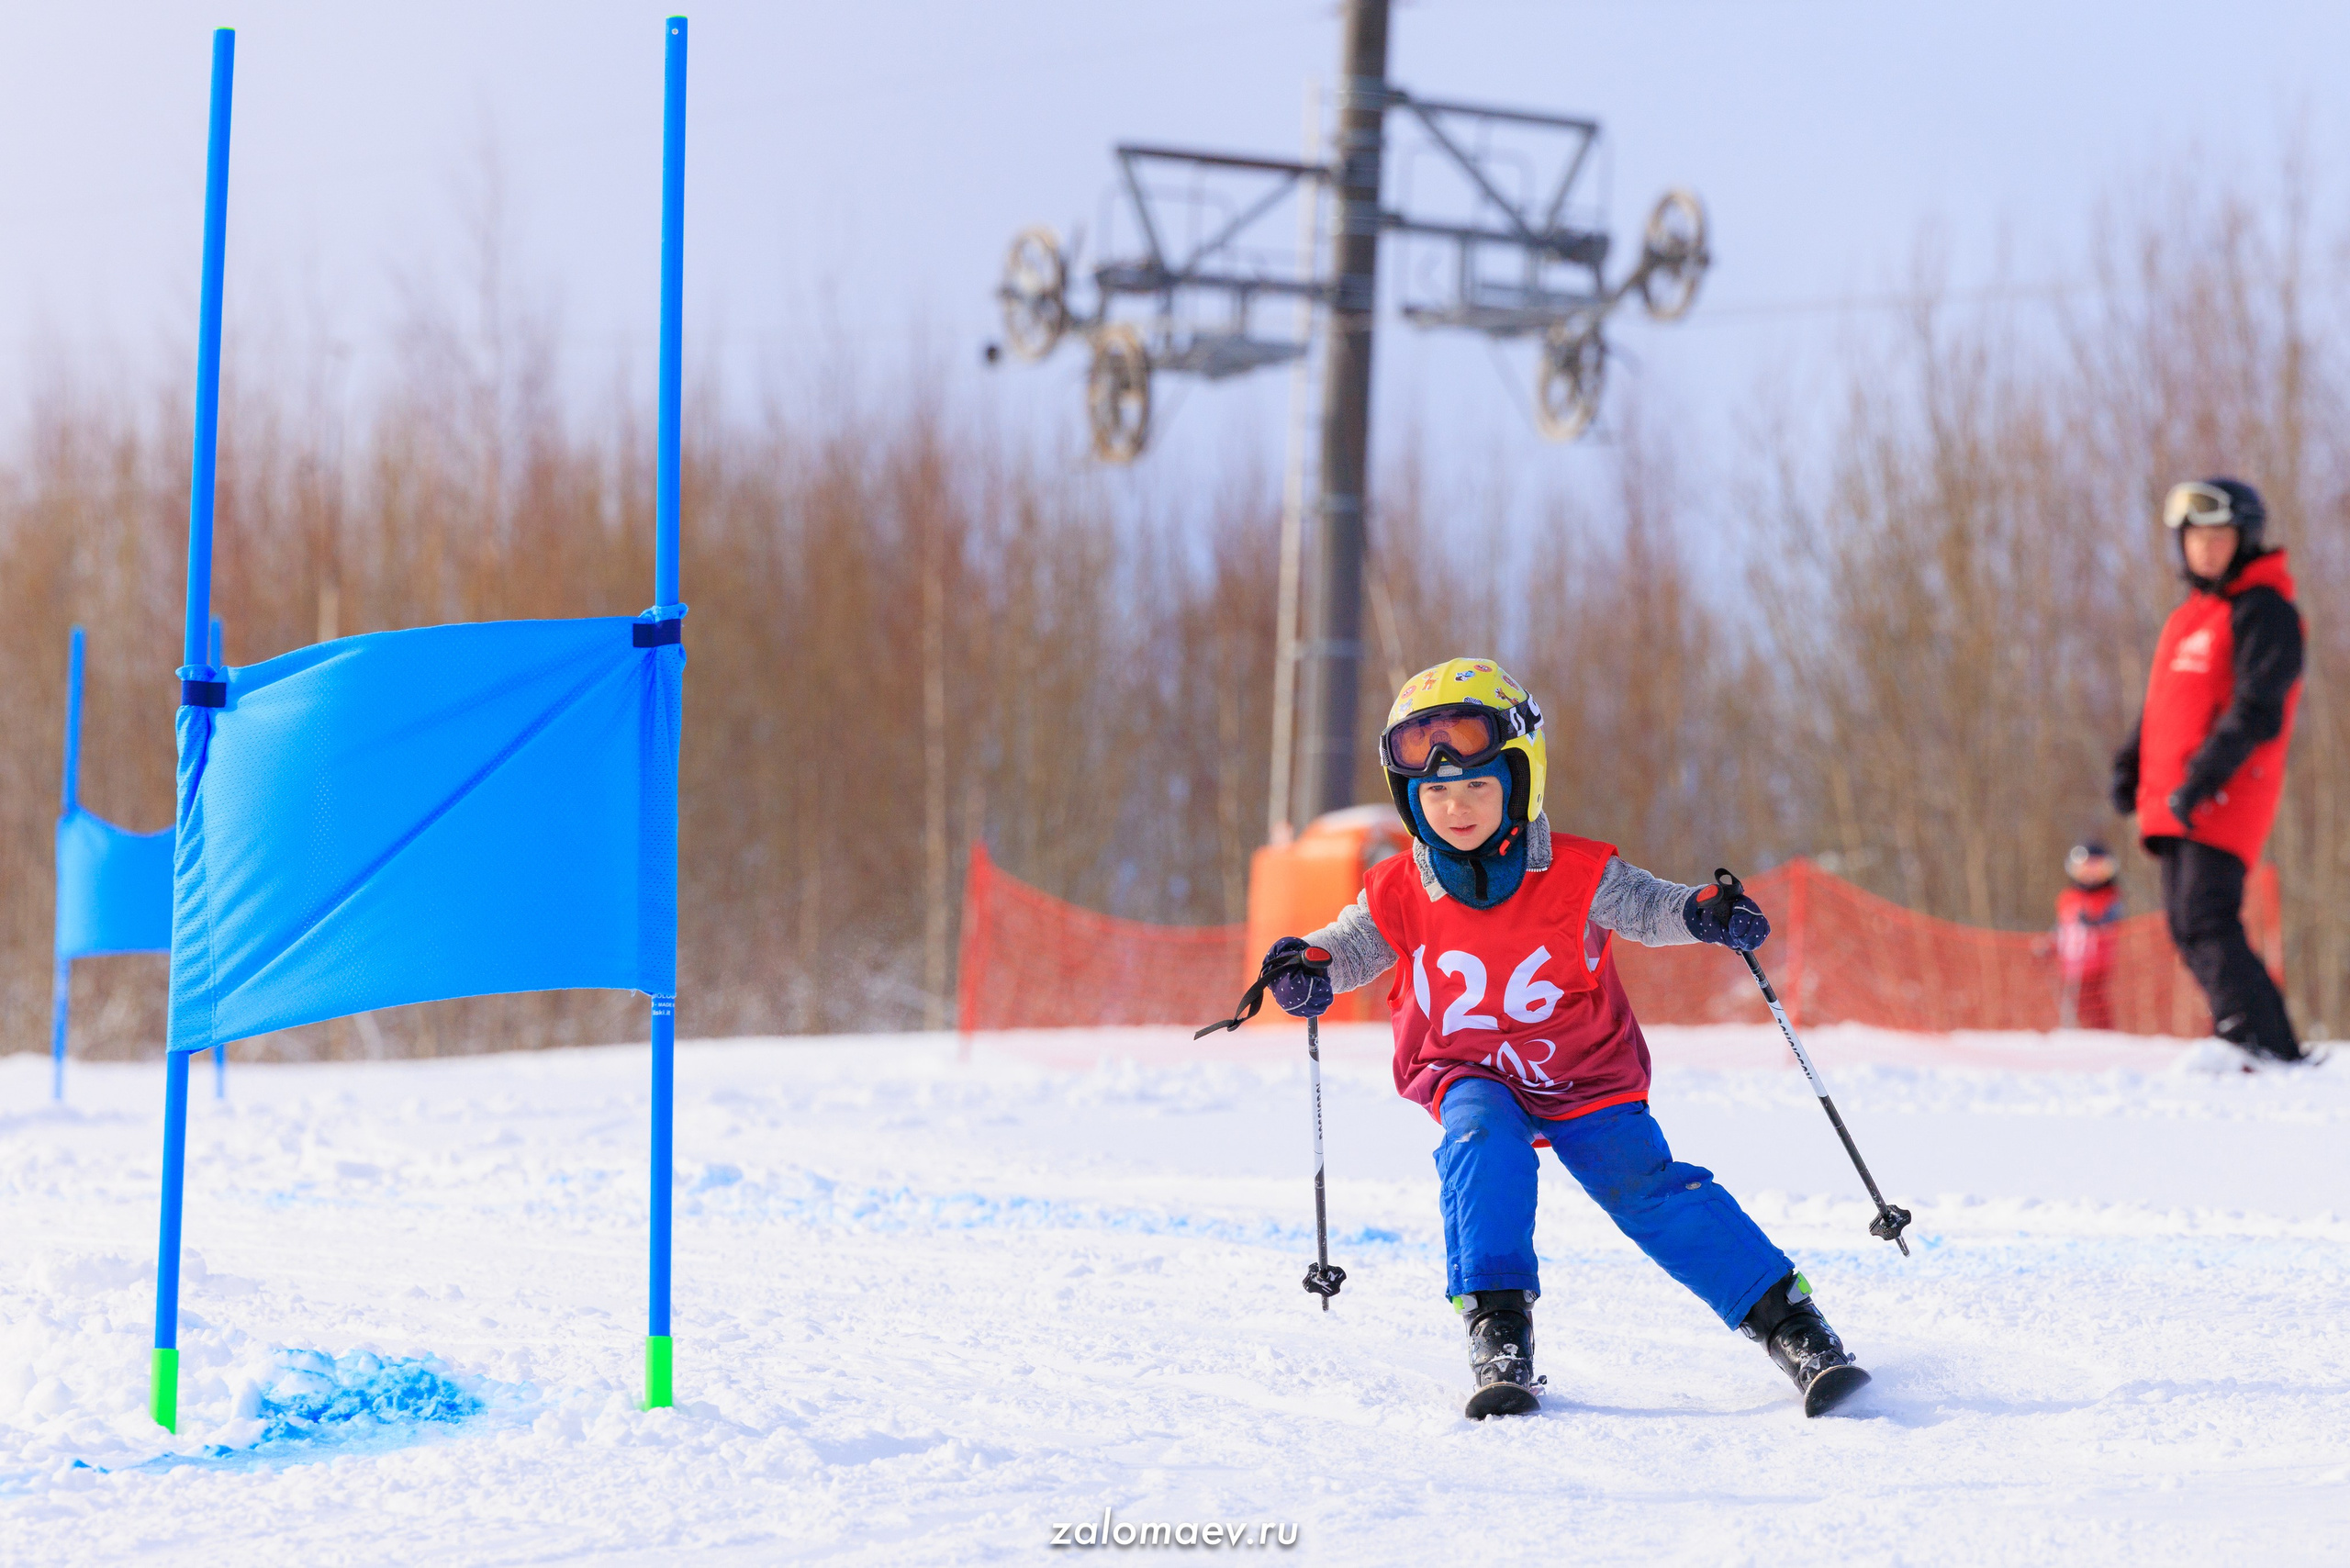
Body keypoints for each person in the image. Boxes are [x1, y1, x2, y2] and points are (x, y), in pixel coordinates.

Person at [1259, 658, 1870, 1420]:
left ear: (1520, 780)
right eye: (1436, 792)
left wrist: (1704, 914)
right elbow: (1352, 943)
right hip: (1468, 1067)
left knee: (1648, 1192)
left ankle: (1792, 1326)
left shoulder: (1578, 873)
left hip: (1583, 1072)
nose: (1456, 807)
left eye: (1477, 785)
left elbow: (1648, 905)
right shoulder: (1402, 886)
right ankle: (1498, 1325)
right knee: (1481, 1143)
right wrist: (1307, 965)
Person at [2111, 477, 2311, 1065]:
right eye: (2193, 537)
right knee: (2185, 924)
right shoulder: (2188, 619)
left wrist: (2202, 779)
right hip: (2176, 798)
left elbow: (2257, 708)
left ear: (2245, 539)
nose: (2203, 549)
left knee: (2205, 918)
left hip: (2222, 792)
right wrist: (2131, 765)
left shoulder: (2263, 612)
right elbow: (2164, 707)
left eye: (2217, 536)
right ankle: (2274, 1046)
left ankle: (2251, 1039)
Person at [2053, 841, 2123, 1030]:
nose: (2091, 875)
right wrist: (2048, 945)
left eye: (2098, 868)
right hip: (2069, 965)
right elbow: (2061, 929)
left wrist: (2095, 923)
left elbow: (2113, 921)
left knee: (2093, 1002)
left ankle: (2102, 1034)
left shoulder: (2109, 897)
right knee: (2071, 1002)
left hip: (2096, 964)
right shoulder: (2068, 897)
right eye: (2085, 868)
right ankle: (2075, 1034)